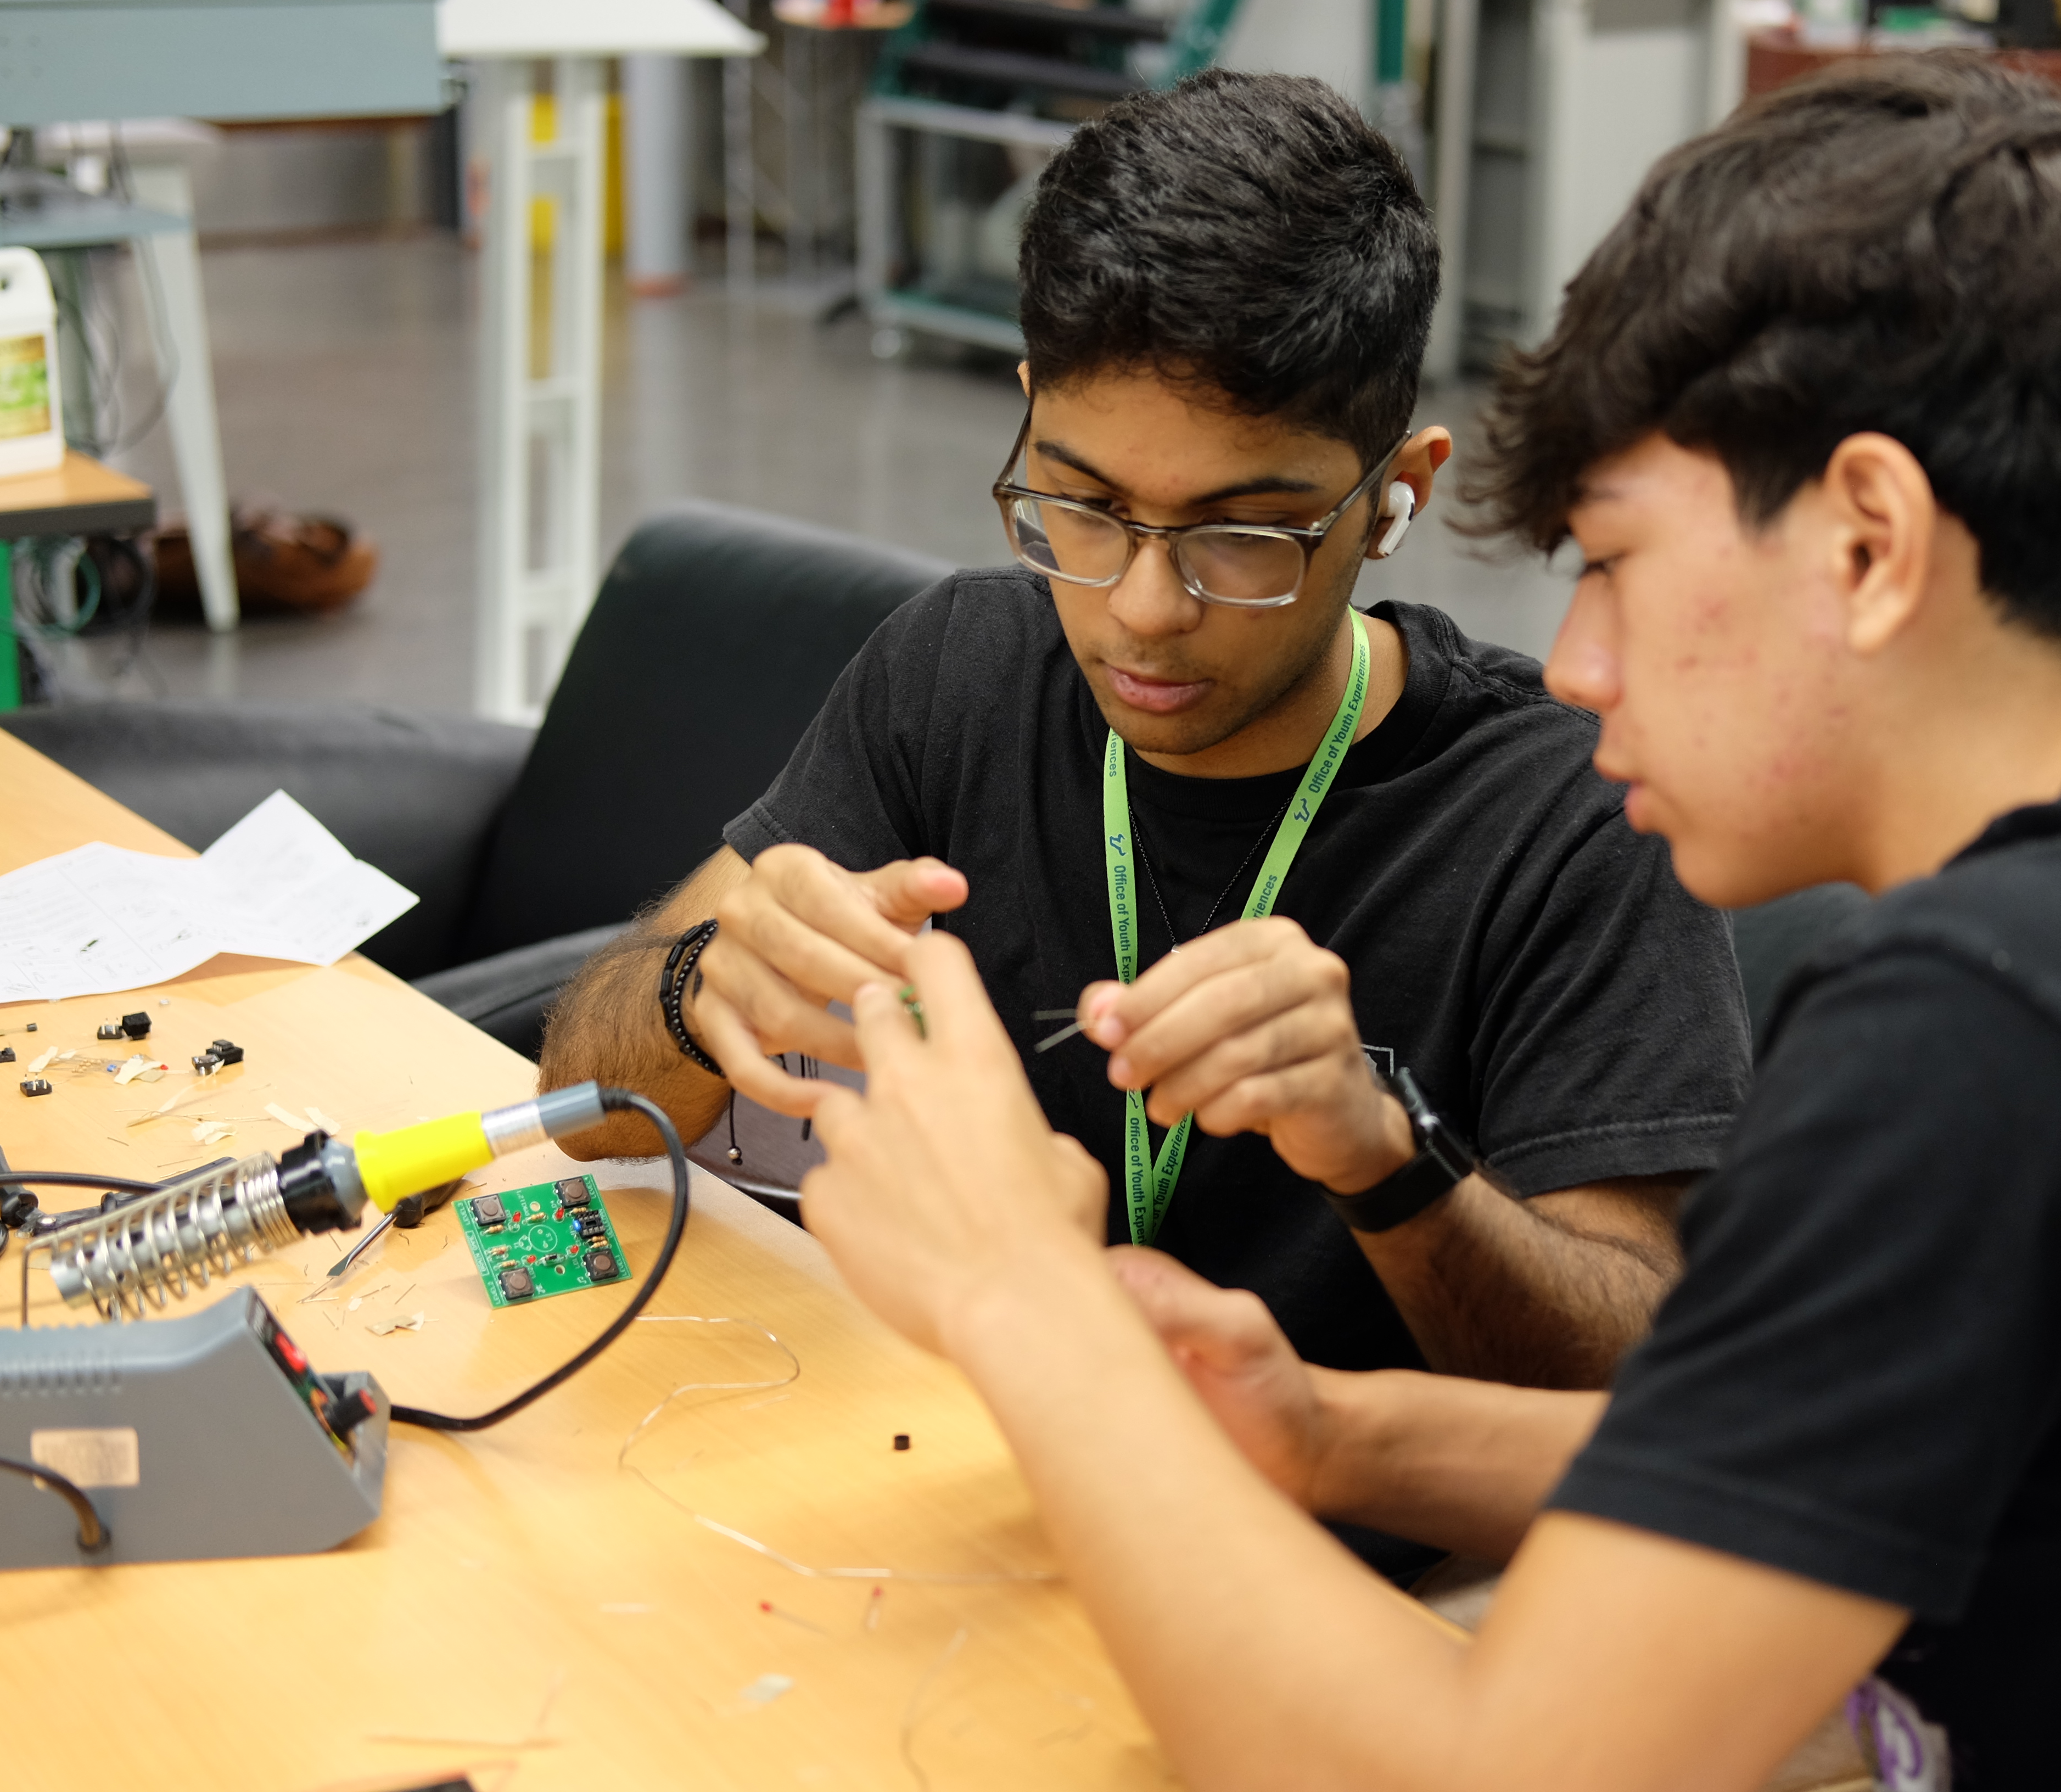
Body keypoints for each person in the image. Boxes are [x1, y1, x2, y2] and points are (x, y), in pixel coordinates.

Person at [780, 55, 2061, 1792]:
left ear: (1870, 540)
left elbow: (1498, 1772)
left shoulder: (2006, 1023)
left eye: (1620, 565)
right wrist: (1344, 1431)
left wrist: (1020, 1299)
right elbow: (1792, 1452)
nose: (1577, 665)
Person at [537, 71, 1749, 1548]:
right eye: (1085, 507)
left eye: (1247, 536)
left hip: (1325, 1598)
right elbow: (594, 1108)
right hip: (950, 1511)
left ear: (1395, 495)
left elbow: (1641, 1405)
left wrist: (1384, 1151)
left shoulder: (1563, 813)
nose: (1144, 611)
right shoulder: (958, 669)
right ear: (1033, 420)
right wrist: (689, 990)